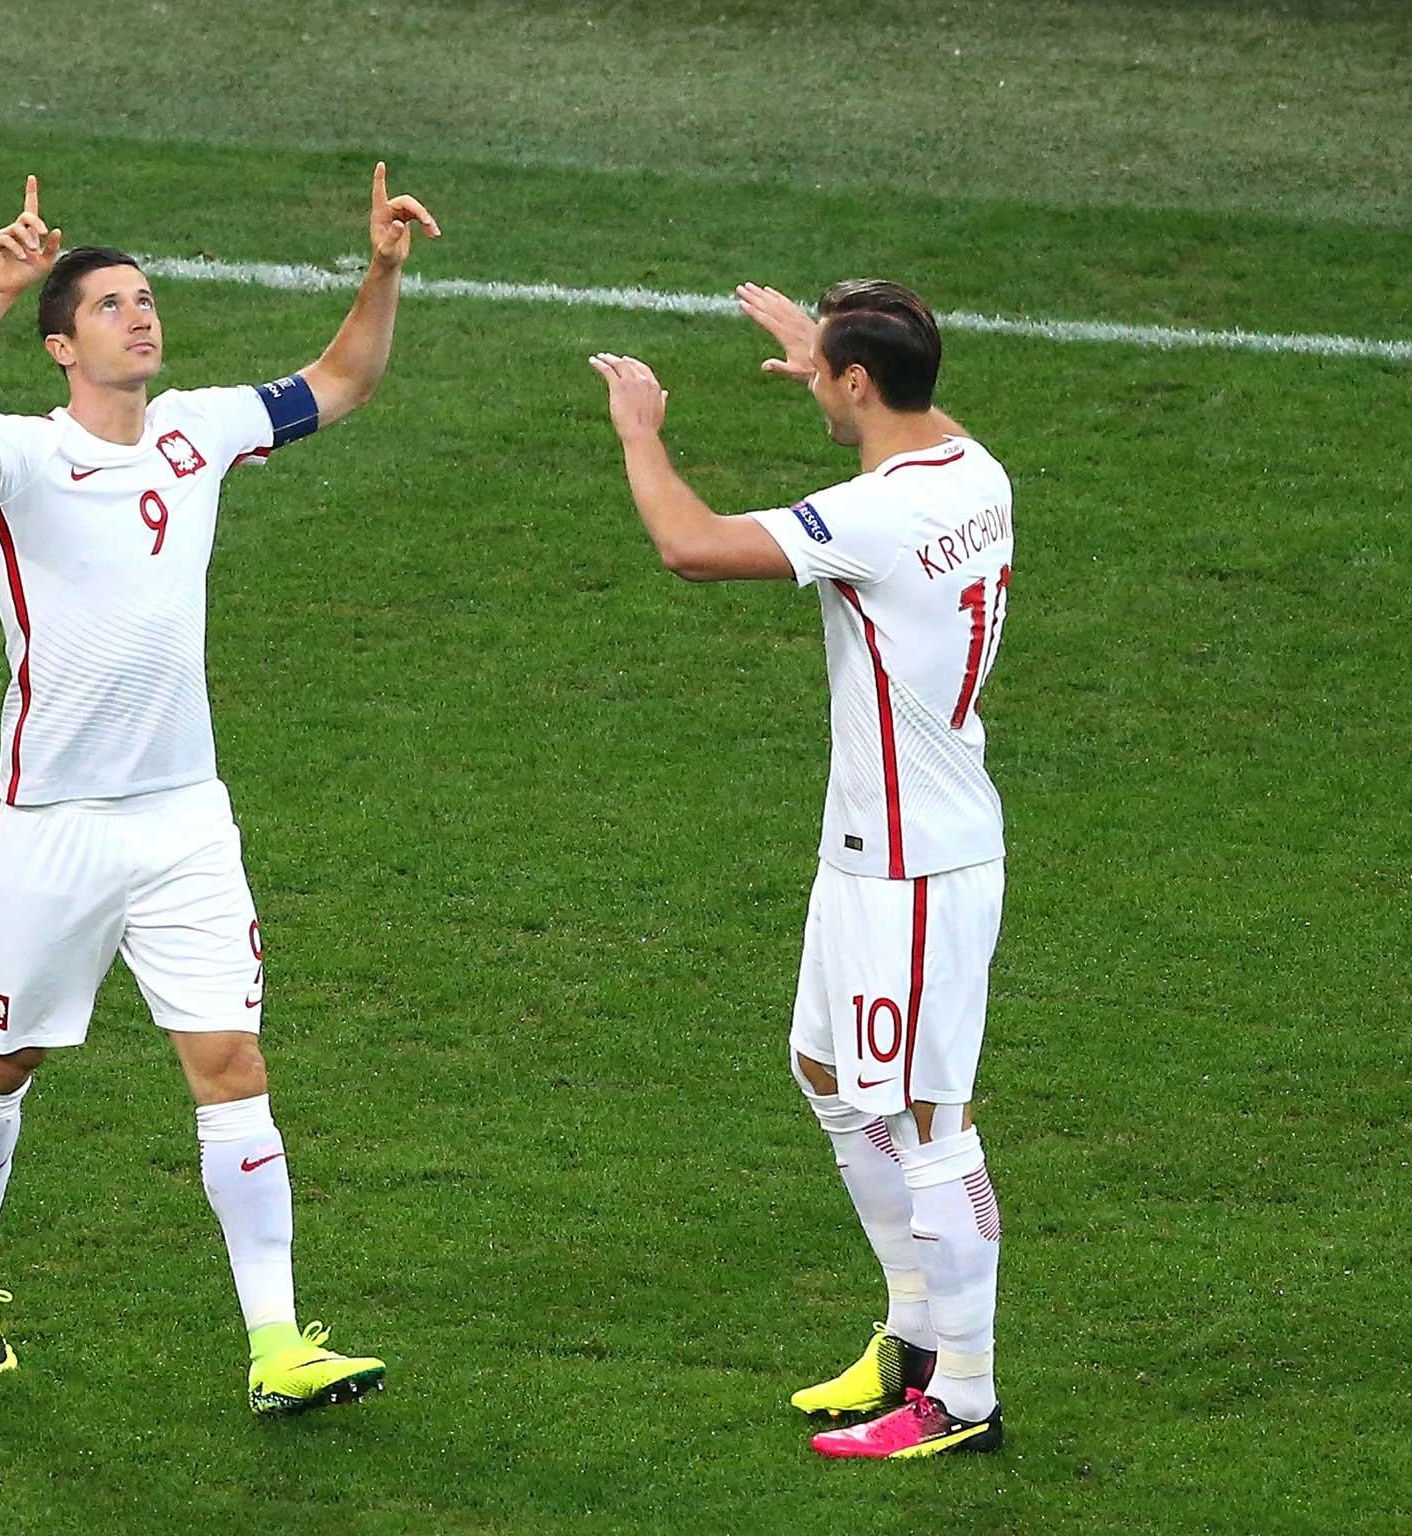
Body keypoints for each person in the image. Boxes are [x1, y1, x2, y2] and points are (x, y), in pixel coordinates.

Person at [0, 166, 440, 1413]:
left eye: (145, 299)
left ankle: (277, 1344)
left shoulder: (200, 428)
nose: (140, 316)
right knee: (3, 1056)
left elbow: (341, 381)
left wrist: (384, 269)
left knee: (230, 1061)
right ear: (60, 343)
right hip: (53, 823)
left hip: (186, 815)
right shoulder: (22, 458)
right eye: (111, 305)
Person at [588, 279, 1014, 1458]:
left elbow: (688, 546)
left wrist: (641, 432)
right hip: (876, 850)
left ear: (859, 384)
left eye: (829, 372)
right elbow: (902, 417)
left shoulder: (869, 519)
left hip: (917, 871)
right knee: (825, 1069)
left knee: (932, 1126)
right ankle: (913, 1333)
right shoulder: (975, 468)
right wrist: (826, 351)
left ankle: (963, 1398)